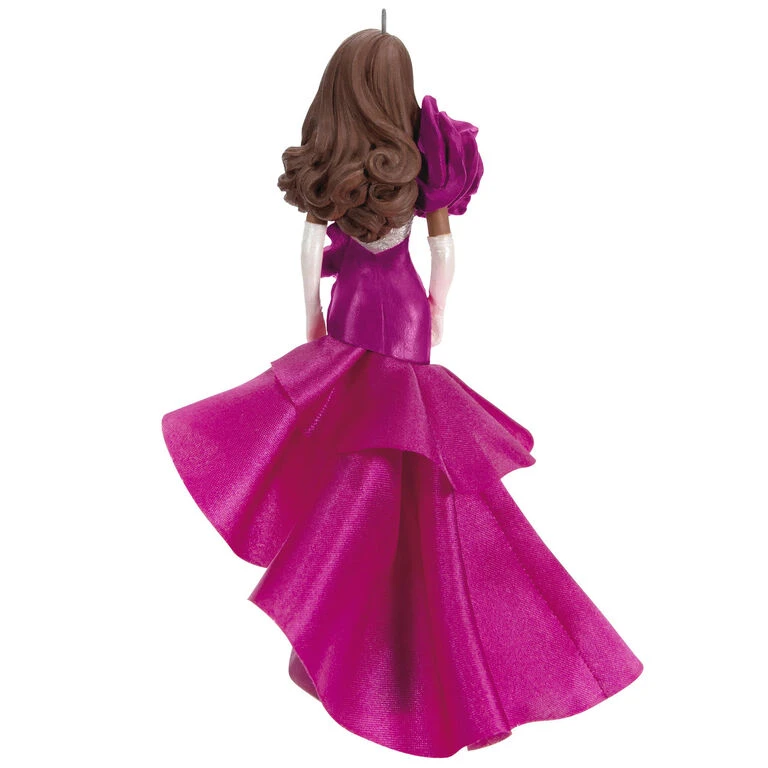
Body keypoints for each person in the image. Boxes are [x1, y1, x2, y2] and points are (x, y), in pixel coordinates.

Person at [161, 26, 642, 758]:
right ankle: (377, 641)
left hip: (353, 311)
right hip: (405, 311)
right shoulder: (419, 164)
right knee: (398, 466)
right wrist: (441, 309)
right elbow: (443, 248)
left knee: (355, 455)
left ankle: (352, 635)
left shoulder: (338, 165)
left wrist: (311, 320)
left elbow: (308, 251)